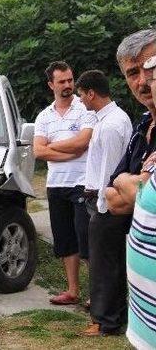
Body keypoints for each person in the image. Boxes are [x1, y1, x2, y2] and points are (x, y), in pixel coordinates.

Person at [97, 29, 156, 337]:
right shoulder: (142, 125)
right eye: (133, 73)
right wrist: (134, 183)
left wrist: (131, 186)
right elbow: (112, 197)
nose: (142, 81)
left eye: (150, 69)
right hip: (144, 314)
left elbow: (141, 196)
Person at [71, 70, 132, 337]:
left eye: (82, 94)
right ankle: (115, 314)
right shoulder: (111, 119)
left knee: (103, 264)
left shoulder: (110, 125)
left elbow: (111, 171)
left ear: (91, 93)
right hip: (105, 201)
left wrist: (102, 206)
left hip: (106, 203)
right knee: (113, 262)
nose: (81, 100)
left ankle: (105, 321)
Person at [33, 61, 96, 305]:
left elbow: (82, 142)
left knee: (85, 237)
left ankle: (95, 294)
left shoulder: (85, 109)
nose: (68, 85)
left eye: (71, 80)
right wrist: (67, 152)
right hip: (56, 183)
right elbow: (38, 151)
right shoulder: (44, 116)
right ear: (51, 85)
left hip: (82, 183)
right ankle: (72, 291)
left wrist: (51, 146)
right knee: (65, 239)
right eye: (62, 81)